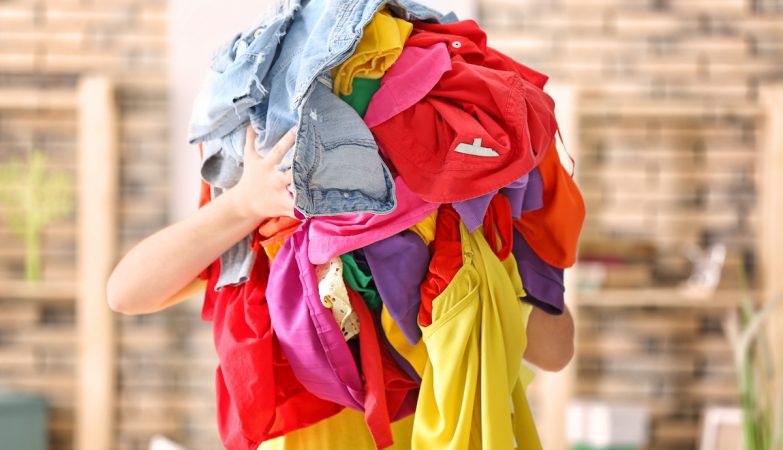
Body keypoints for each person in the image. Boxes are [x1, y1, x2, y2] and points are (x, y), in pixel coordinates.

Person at [107, 125, 574, 369]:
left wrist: (442, 237)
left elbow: (555, 350)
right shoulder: (270, 189)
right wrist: (242, 207)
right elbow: (126, 292)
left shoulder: (470, 185)